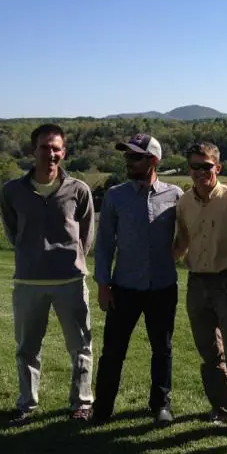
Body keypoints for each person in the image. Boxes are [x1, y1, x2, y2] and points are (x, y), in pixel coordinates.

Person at [0, 123, 95, 425]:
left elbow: (86, 235)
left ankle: (81, 403)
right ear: (33, 150)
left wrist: (71, 258)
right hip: (28, 281)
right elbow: (13, 232)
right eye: (44, 147)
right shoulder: (13, 191)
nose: (50, 154)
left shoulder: (78, 190)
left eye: (56, 148)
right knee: (27, 348)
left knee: (80, 346)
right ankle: (27, 404)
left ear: (63, 152)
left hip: (69, 280)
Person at [92, 133, 183, 425]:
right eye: (127, 156)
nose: (128, 161)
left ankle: (161, 405)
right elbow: (104, 243)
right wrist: (103, 284)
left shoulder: (175, 195)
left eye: (135, 156)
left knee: (162, 349)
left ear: (153, 160)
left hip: (163, 288)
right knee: (113, 351)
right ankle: (102, 408)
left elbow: (190, 233)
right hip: (124, 288)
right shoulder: (115, 196)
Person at [173, 142, 227, 446]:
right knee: (210, 353)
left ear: (217, 168)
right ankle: (222, 409)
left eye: (206, 166)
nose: (200, 172)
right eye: (195, 166)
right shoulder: (184, 203)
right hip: (197, 284)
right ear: (189, 169)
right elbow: (182, 242)